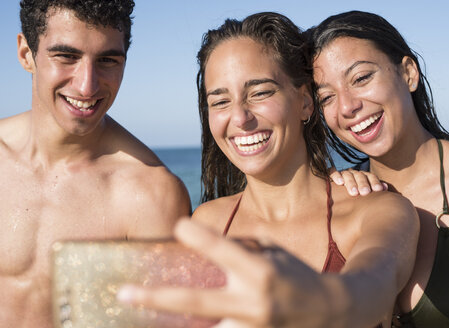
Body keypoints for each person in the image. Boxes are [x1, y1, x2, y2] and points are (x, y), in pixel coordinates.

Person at [117, 12, 419, 328]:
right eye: (220, 102)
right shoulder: (207, 224)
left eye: (260, 93)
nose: (240, 117)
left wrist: (321, 300)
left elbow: (374, 285)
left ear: (305, 101)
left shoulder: (378, 210)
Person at [0, 0, 190, 326]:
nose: (87, 85)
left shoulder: (151, 194)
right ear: (25, 53)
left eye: (107, 61)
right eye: (66, 56)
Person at [308, 10, 449, 327]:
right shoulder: (340, 198)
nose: (347, 106)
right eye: (327, 97)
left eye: (362, 78)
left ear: (408, 73)